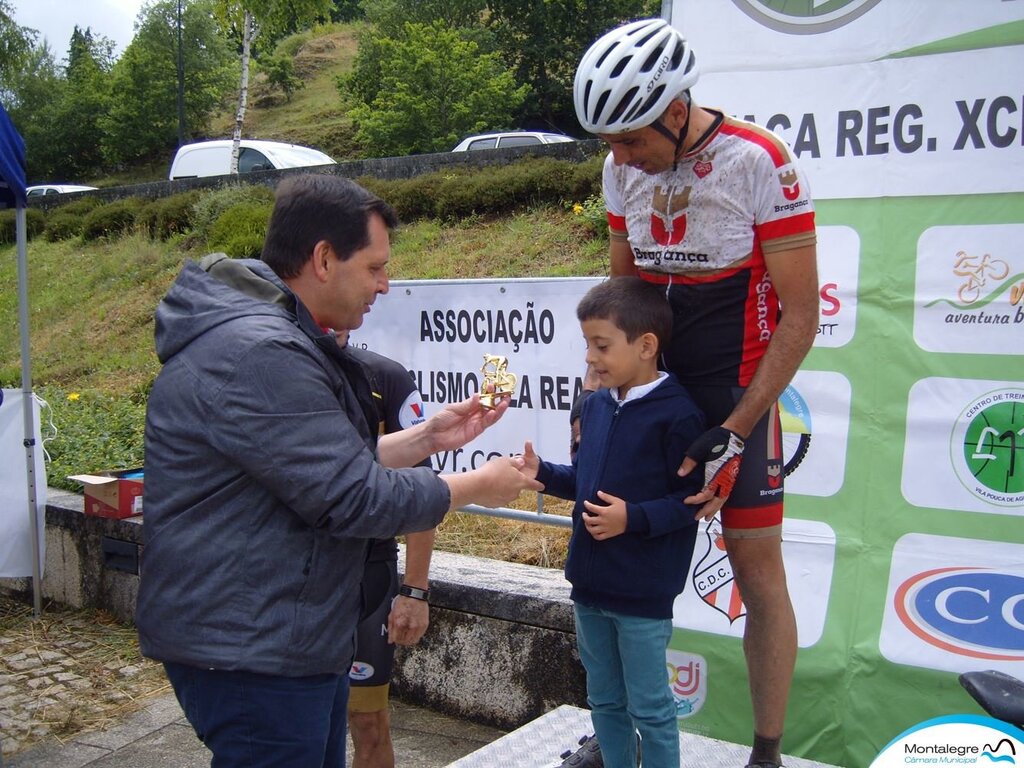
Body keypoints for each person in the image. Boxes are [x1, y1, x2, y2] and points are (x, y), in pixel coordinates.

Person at [135, 174, 542, 768]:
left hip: (286, 635)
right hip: (253, 646)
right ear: (324, 259)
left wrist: (426, 437)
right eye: (375, 267)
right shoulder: (261, 353)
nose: (385, 284)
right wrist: (479, 484)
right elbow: (353, 497)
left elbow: (308, 468)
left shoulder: (273, 339)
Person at [572, 19, 819, 768]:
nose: (619, 160)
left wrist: (739, 428)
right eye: (609, 144)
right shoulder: (622, 168)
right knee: (617, 553)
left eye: (631, 140)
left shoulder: (760, 162)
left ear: (677, 112)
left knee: (756, 571)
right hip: (655, 390)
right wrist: (592, 399)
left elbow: (802, 316)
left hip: (737, 388)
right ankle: (614, 726)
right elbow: (621, 297)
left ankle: (767, 751)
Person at [520, 277, 706, 768]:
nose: (590, 358)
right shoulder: (598, 406)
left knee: (651, 709)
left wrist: (633, 519)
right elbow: (584, 479)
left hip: (643, 596)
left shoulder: (680, 415)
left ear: (646, 346)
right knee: (603, 701)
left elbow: (692, 502)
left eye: (601, 345)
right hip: (588, 589)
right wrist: (541, 475)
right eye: (587, 345)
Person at [342, 334, 435, 768]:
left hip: (367, 575)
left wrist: (415, 590)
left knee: (369, 723)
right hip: (290, 576)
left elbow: (420, 489)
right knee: (300, 725)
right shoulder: (273, 369)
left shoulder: (385, 375)